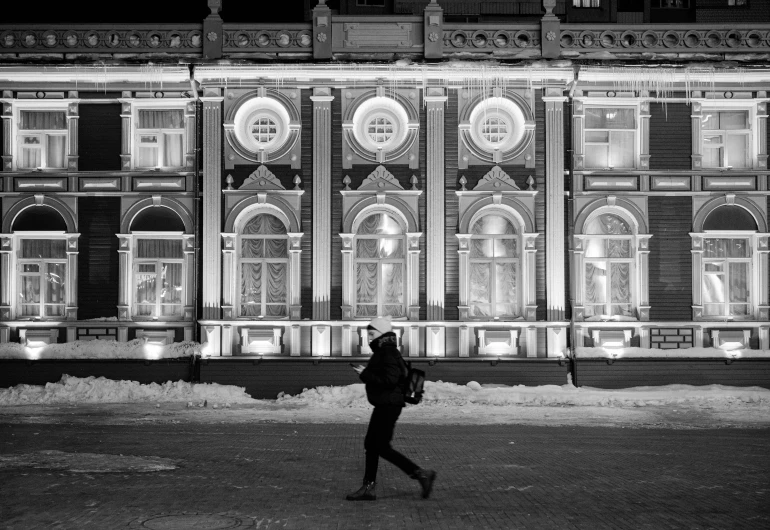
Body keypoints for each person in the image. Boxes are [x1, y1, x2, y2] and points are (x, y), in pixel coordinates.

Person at [346, 316, 436, 501]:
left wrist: (365, 374)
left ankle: (421, 474)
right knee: (372, 445)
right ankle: (368, 487)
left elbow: (390, 380)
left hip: (389, 405)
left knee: (380, 446)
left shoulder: (386, 352)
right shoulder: (386, 351)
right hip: (386, 404)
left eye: (372, 334)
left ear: (380, 333)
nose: (369, 338)